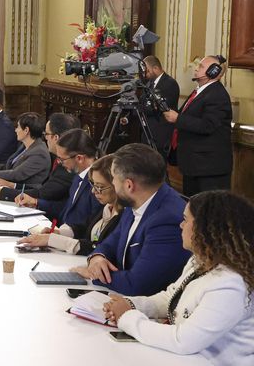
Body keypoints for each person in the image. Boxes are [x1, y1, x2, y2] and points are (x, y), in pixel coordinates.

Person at [103, 191, 254, 365]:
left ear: (205, 228)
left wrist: (127, 317)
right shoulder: (199, 261)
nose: (181, 225)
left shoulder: (231, 284)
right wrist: (130, 303)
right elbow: (170, 297)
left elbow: (183, 341)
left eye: (186, 219)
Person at [76, 143, 190, 296]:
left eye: (114, 179)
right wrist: (97, 258)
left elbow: (138, 284)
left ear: (129, 185)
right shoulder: (135, 201)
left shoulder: (167, 220)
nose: (114, 185)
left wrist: (94, 275)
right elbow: (111, 241)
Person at [18, 155, 124, 255]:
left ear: (117, 184)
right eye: (93, 185)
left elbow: (98, 246)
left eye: (100, 187)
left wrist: (52, 240)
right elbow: (85, 228)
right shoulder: (107, 207)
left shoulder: (123, 216)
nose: (93, 191)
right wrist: (59, 232)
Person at [163, 55, 234, 196]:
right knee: (194, 209)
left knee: (209, 211)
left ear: (214, 72)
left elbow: (208, 125)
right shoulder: (200, 91)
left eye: (201, 66)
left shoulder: (217, 94)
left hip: (209, 168)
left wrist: (178, 118)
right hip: (195, 165)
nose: (196, 68)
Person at [17, 128, 102, 227]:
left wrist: (59, 235)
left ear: (79, 158)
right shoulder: (79, 177)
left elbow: (89, 225)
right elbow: (66, 209)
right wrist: (36, 202)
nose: (60, 163)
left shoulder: (98, 184)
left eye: (62, 159)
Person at [0, 113, 78, 202]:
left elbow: (42, 193)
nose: (45, 137)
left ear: (56, 137)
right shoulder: (58, 160)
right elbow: (42, 188)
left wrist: (3, 192)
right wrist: (11, 185)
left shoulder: (67, 166)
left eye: (46, 133)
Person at [142, 55, 179, 157]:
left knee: (158, 166)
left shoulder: (169, 83)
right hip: (148, 132)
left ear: (156, 68)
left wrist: (143, 107)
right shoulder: (149, 83)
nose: (145, 74)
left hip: (161, 134)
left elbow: (159, 109)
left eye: (147, 70)